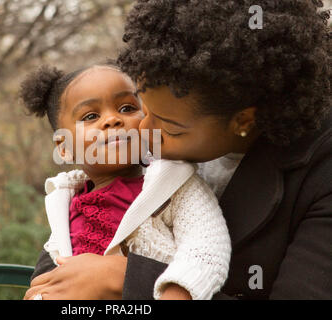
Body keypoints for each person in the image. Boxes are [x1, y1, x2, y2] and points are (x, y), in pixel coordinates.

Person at [25, 0, 332, 299]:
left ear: (243, 120)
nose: (141, 131)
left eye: (168, 126)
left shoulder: (320, 174)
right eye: (143, 108)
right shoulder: (134, 151)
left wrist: (128, 280)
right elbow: (68, 240)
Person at [20, 63, 231, 300]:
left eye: (127, 108)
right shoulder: (66, 204)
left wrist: (177, 293)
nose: (112, 120)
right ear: (64, 148)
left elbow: (206, 249)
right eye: (91, 116)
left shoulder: (175, 184)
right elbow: (47, 284)